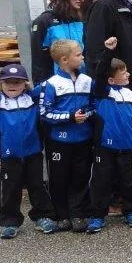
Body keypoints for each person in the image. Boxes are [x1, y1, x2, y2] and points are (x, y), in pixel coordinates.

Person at [0, 63, 56, 239]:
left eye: (17, 82)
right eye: (8, 82)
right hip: (10, 156)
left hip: (33, 153)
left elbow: (49, 84)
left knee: (37, 185)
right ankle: (10, 222)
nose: (12, 86)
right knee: (10, 189)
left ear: (25, 84)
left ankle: (43, 216)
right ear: (0, 83)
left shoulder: (32, 99)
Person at [86, 45, 132, 233]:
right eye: (124, 72)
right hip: (105, 147)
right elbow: (101, 72)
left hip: (127, 147)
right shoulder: (102, 92)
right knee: (101, 181)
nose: (128, 75)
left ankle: (130, 211)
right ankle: (97, 215)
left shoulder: (130, 94)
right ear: (111, 79)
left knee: (129, 181)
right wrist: (108, 52)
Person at [40, 39, 94, 233]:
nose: (82, 57)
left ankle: (78, 213)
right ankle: (61, 215)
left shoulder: (87, 81)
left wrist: (85, 115)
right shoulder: (51, 84)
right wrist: (70, 117)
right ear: (64, 60)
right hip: (59, 141)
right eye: (78, 55)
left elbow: (93, 106)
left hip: (83, 139)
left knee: (81, 176)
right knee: (59, 178)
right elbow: (45, 113)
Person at [30, 0, 85, 84]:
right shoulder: (44, 21)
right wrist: (41, 87)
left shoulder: (80, 20)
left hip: (80, 82)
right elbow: (38, 60)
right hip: (55, 84)